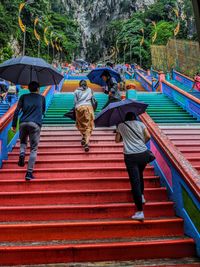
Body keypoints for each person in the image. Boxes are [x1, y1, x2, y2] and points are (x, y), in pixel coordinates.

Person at [115, 112, 151, 221]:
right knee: (140, 174)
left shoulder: (121, 125)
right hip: (143, 154)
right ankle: (142, 196)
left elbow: (117, 140)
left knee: (135, 182)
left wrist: (123, 134)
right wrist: (141, 144)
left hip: (130, 156)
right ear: (134, 117)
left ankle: (140, 212)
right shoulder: (141, 124)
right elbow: (148, 136)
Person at [11, 81, 46, 181]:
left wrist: (14, 125)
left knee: (23, 142)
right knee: (33, 149)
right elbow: (43, 111)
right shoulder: (42, 98)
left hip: (23, 123)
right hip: (35, 124)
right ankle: (29, 172)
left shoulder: (23, 97)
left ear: (28, 88)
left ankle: (22, 153)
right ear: (38, 89)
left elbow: (17, 111)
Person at [74, 80, 95, 152]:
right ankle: (86, 143)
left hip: (79, 108)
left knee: (80, 124)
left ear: (79, 85)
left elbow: (75, 102)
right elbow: (93, 99)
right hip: (89, 108)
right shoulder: (90, 90)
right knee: (89, 126)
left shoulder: (76, 91)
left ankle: (83, 136)